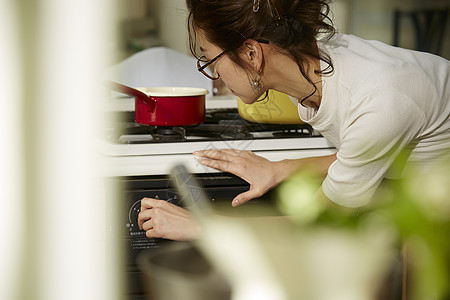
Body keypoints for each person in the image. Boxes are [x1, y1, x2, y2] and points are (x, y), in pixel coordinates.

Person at [138, 0, 450, 241]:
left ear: (251, 54)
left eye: (210, 58)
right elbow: (369, 152)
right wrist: (281, 167)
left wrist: (202, 227)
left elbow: (322, 226)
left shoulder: (379, 98)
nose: (214, 72)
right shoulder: (317, 63)